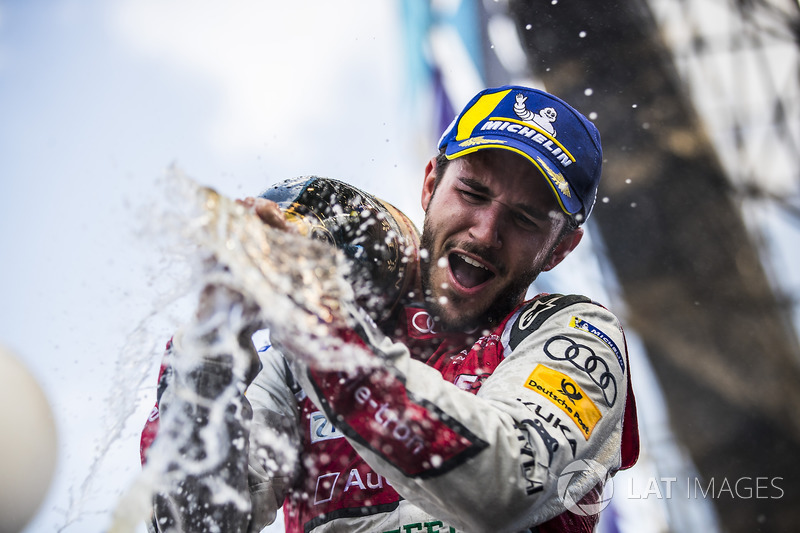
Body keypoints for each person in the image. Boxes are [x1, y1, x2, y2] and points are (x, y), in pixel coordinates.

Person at [140, 85, 640, 533]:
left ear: (559, 249)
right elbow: (197, 523)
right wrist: (211, 345)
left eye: (525, 218)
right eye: (472, 192)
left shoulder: (576, 333)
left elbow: (502, 485)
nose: (486, 232)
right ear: (429, 186)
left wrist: (325, 333)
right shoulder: (293, 356)